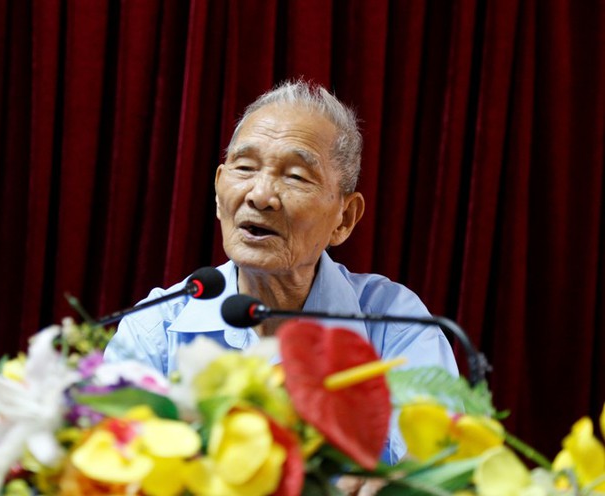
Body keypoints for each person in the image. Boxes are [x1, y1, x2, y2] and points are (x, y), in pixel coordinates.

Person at [105, 80, 458, 467]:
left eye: (295, 176)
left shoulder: (395, 324)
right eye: (245, 167)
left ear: (344, 218)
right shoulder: (158, 325)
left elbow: (440, 471)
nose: (260, 195)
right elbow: (111, 467)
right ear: (219, 193)